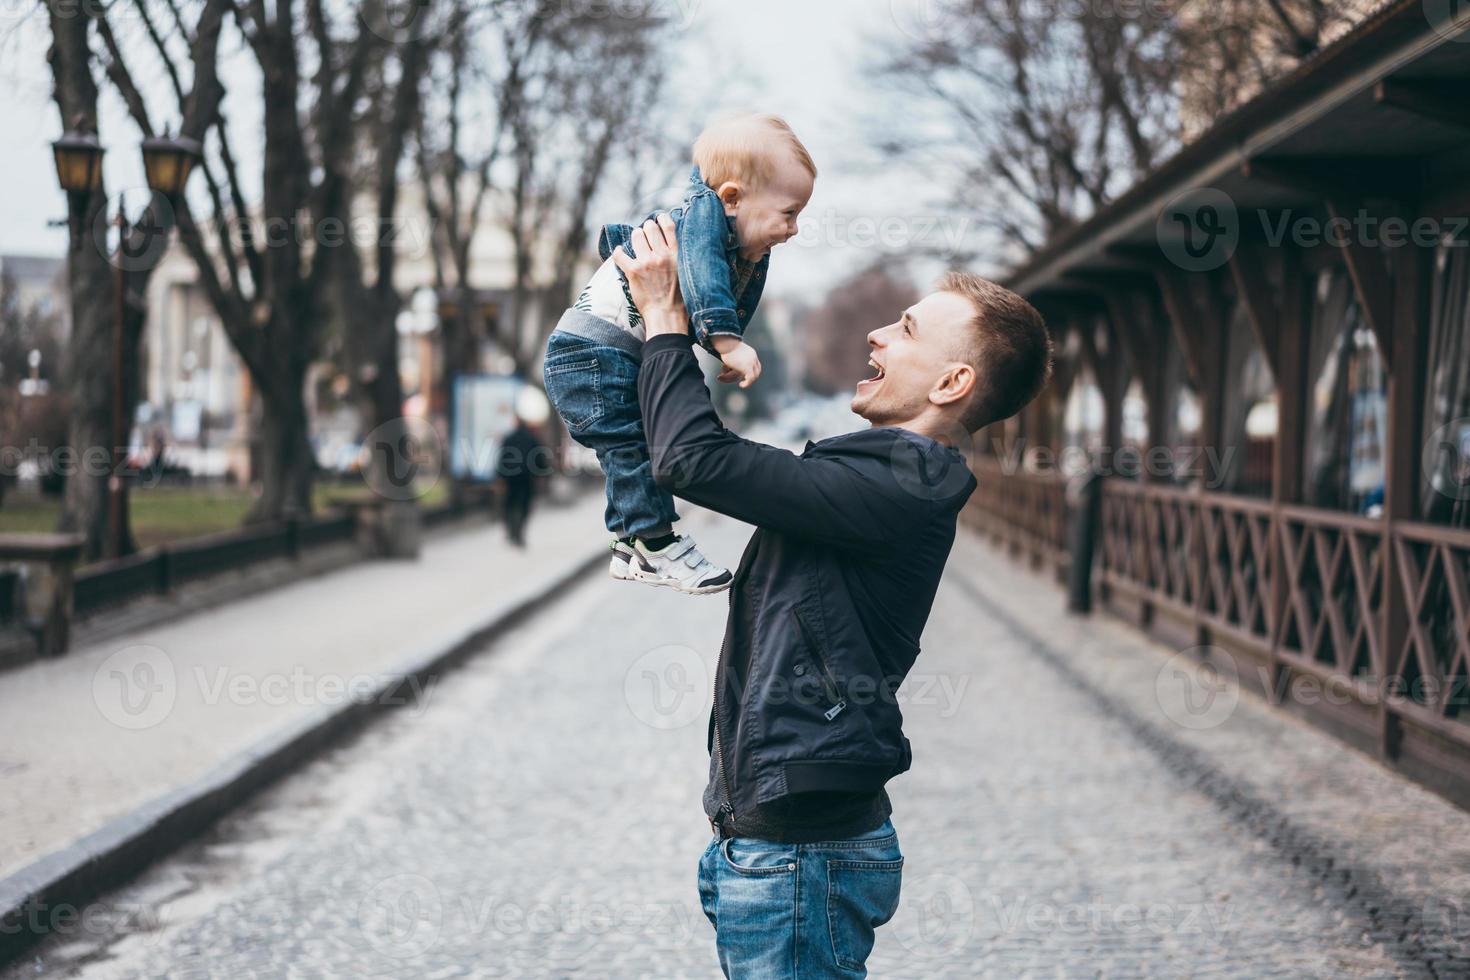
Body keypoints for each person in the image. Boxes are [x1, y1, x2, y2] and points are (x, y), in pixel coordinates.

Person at [612, 214, 1053, 978]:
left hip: (799, 855)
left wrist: (662, 320)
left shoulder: (900, 485)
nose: (878, 335)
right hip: (774, 845)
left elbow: (693, 459)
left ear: (952, 383)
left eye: (907, 328)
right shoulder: (884, 474)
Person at [542, 113, 816, 595]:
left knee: (636, 443)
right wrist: (727, 342)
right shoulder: (699, 226)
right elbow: (705, 285)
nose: (793, 229)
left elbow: (723, 295)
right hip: (590, 354)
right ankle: (656, 543)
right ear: (731, 197)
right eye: (789, 213)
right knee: (632, 445)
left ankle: (630, 543)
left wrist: (724, 344)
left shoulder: (721, 234)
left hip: (600, 354)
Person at [493, 416, 547, 548]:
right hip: (527, 478)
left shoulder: (509, 438)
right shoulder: (532, 439)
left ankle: (512, 530)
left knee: (509, 504)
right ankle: (519, 532)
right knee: (524, 505)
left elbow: (502, 458)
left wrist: (499, 476)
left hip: (510, 477)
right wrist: (541, 474)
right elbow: (539, 458)